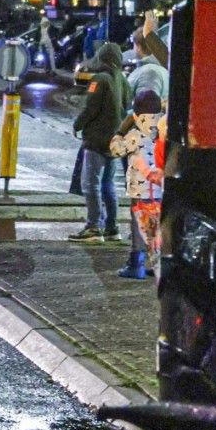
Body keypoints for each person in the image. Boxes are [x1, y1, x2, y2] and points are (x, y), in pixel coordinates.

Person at [69, 41, 133, 243]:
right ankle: (112, 228)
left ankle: (94, 227)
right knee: (108, 185)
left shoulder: (100, 79)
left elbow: (90, 108)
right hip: (114, 142)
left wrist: (77, 125)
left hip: (96, 140)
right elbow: (127, 109)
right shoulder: (123, 81)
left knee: (91, 184)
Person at [109, 89, 164, 279]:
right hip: (158, 186)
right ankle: (158, 266)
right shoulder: (163, 129)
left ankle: (136, 265)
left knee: (139, 226)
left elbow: (116, 150)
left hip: (140, 188)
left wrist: (119, 132)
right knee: (156, 227)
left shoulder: (135, 135)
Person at [128, 32, 169, 101]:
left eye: (134, 45)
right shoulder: (156, 68)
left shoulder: (149, 71)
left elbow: (147, 106)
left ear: (138, 47)